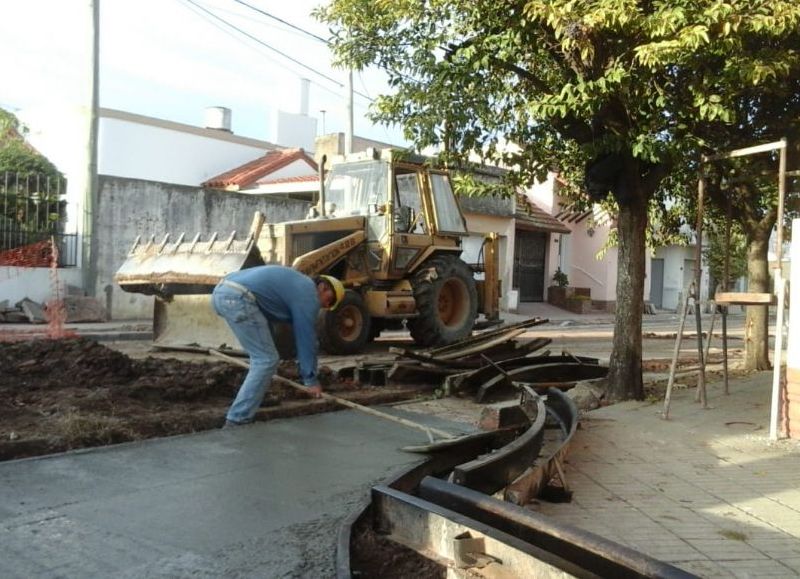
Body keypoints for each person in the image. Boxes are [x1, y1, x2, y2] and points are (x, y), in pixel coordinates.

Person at [212, 265, 345, 427]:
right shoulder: (309, 294)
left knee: (263, 359)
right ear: (322, 287)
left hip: (222, 293)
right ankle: (237, 420)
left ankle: (255, 396)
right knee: (266, 360)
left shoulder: (297, 285)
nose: (326, 306)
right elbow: (306, 339)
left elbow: (278, 329)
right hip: (239, 298)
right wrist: (310, 380)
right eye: (329, 300)